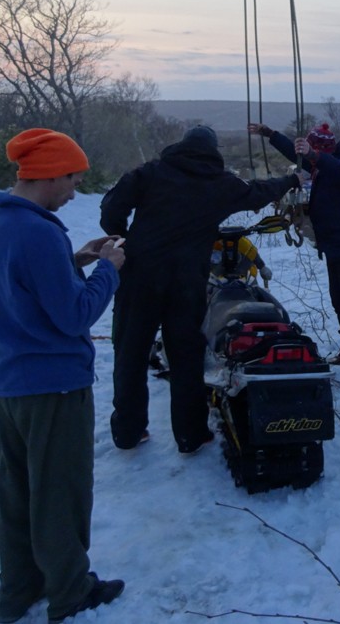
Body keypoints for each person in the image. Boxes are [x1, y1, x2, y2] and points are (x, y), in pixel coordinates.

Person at [0, 128, 127, 623]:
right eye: (73, 180)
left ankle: (18, 590)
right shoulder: (38, 232)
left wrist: (74, 260)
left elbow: (19, 286)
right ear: (51, 173)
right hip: (55, 385)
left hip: (12, 381)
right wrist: (109, 270)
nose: (75, 191)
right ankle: (71, 592)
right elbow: (74, 316)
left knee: (17, 494)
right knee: (60, 492)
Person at [100, 125, 305, 452]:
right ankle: (190, 435)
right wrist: (293, 179)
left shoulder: (150, 172)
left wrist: (124, 239)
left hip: (139, 277)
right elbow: (260, 191)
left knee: (130, 353)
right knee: (186, 357)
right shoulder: (221, 183)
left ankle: (128, 433)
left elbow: (111, 209)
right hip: (187, 283)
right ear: (213, 151)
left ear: (181, 145)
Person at [248, 121, 340, 385]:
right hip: (334, 245)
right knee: (339, 298)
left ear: (322, 150)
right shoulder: (321, 165)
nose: (311, 158)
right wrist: (271, 134)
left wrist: (313, 155)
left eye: (314, 151)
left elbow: (338, 170)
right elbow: (297, 155)